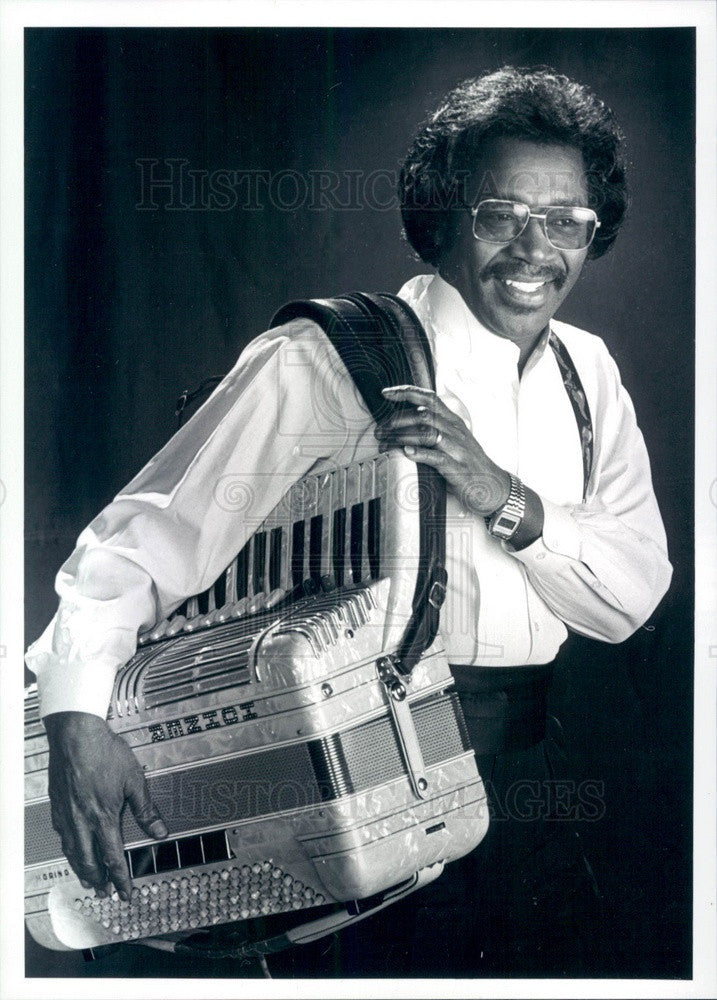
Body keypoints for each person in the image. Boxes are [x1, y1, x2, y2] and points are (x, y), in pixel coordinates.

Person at [26, 66, 672, 976]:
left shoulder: (587, 370)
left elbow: (631, 597)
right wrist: (76, 721)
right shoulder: (334, 356)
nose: (535, 249)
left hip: (531, 786)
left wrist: (506, 500)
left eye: (565, 221)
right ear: (441, 214)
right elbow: (144, 536)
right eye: (500, 214)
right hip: (356, 774)